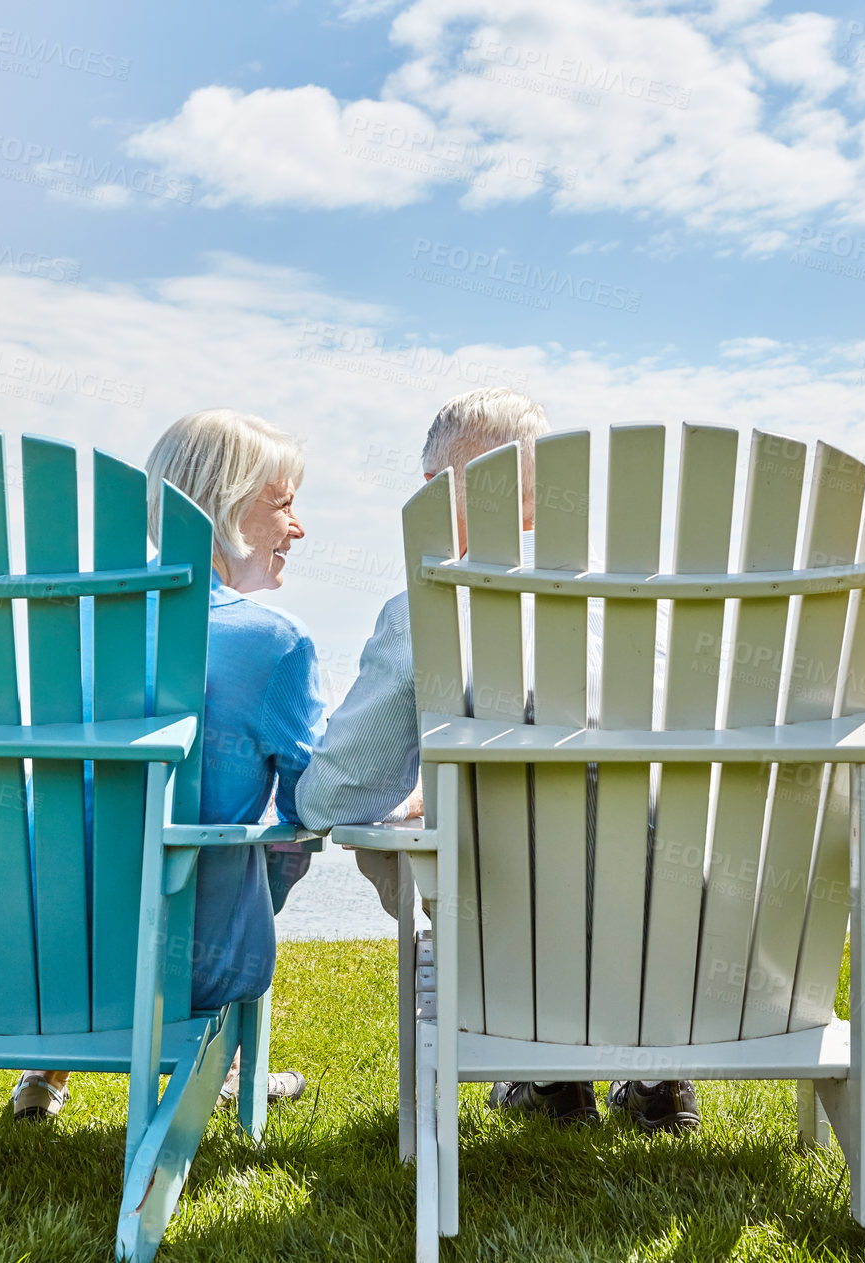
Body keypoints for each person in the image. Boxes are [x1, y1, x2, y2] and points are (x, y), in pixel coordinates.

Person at [295, 386, 701, 1133]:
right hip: (681, 950)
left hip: (510, 950)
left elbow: (329, 797)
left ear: (432, 492)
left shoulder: (423, 612)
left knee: (441, 846)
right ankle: (654, 1067)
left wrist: (419, 793)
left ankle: (543, 1066)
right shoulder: (655, 611)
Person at [12, 409, 326, 1120]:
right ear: (225, 506)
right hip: (193, 968)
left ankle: (48, 1068)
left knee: (104, 829)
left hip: (42, 953)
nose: (297, 527)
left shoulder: (75, 626)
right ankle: (228, 1059)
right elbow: (317, 800)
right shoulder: (274, 643)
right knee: (267, 839)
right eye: (283, 503)